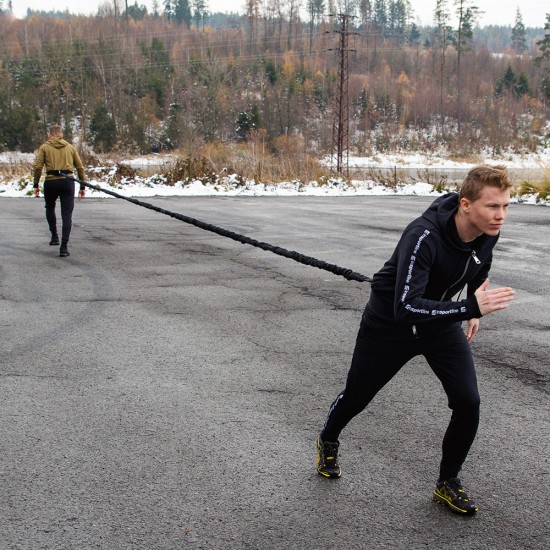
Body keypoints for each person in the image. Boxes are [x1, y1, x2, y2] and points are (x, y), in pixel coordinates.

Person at [316, 165, 516, 516]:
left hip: (439, 325)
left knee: (468, 402)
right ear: (466, 204)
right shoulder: (423, 236)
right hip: (390, 327)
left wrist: (471, 306)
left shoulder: (489, 232)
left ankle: (447, 482)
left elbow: (479, 269)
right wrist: (469, 307)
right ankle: (328, 438)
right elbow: (406, 306)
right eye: (492, 207)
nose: (500, 216)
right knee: (358, 396)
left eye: (505, 206)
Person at [33, 124, 87, 257]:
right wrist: (82, 186)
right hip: (67, 182)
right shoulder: (70, 147)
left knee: (50, 207)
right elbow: (80, 167)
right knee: (66, 214)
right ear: (61, 135)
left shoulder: (44, 147)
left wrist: (36, 184)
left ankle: (54, 236)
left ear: (49, 135)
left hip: (51, 182)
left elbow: (38, 167)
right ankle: (64, 247)